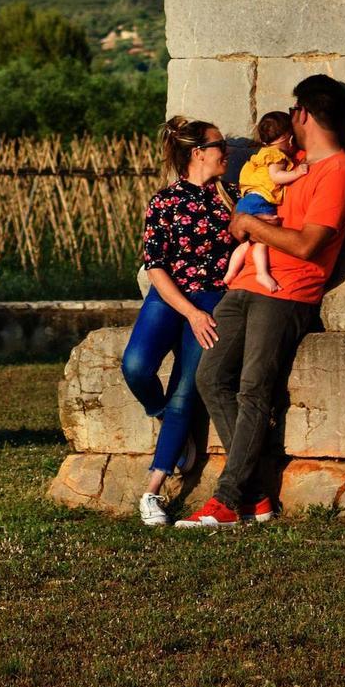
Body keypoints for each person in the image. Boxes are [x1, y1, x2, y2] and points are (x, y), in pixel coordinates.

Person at [178, 74, 345, 529]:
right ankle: (256, 495)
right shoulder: (291, 160)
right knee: (211, 376)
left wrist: (248, 225)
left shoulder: (339, 172)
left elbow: (306, 245)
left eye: (292, 114)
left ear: (302, 114)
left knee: (255, 389)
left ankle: (226, 499)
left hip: (288, 293)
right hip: (245, 285)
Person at [121, 115, 233, 527]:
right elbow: (156, 266)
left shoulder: (231, 197)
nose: (228, 151)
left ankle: (153, 490)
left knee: (186, 391)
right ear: (197, 152)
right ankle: (166, 419)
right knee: (135, 366)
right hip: (171, 297)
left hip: (215, 299)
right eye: (220, 144)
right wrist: (190, 310)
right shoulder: (164, 202)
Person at [222, 110, 308, 293]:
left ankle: (230, 273)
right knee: (263, 238)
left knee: (246, 244)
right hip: (260, 201)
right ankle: (262, 273)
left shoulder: (260, 154)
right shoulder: (276, 156)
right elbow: (276, 177)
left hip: (247, 200)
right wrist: (297, 173)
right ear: (289, 138)